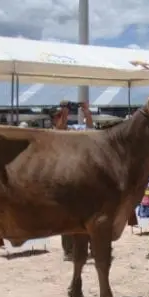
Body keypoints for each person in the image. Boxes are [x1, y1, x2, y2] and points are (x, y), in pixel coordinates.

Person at [55, 101, 94, 261]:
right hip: (68, 178)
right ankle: (69, 250)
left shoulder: (81, 133)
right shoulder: (62, 134)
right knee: (68, 216)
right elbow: (60, 128)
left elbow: (90, 128)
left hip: (84, 178)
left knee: (89, 215)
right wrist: (65, 112)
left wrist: (86, 111)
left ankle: (89, 247)